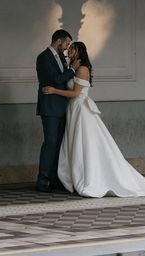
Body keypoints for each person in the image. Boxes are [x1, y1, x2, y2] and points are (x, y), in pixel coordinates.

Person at [43, 41, 145, 198]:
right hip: (73, 110)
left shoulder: (82, 69)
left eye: (72, 48)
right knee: (74, 144)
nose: (68, 50)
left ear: (78, 51)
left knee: (84, 144)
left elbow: (76, 93)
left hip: (81, 111)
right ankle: (74, 176)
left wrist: (54, 90)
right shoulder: (72, 68)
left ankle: (89, 177)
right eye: (68, 48)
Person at [35, 29, 80, 192]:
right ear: (59, 41)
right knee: (50, 142)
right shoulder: (43, 57)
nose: (67, 47)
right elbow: (55, 80)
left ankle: (55, 178)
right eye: (67, 43)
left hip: (63, 107)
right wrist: (72, 70)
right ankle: (43, 179)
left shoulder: (62, 57)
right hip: (50, 107)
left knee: (59, 144)